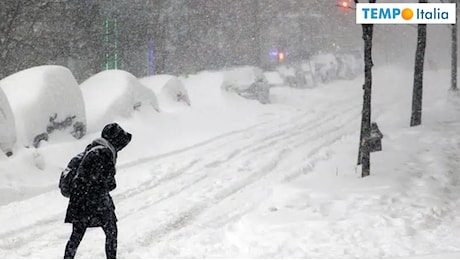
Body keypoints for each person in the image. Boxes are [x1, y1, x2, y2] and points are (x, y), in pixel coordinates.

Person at [64, 123, 132, 259]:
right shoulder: (104, 153)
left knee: (76, 236)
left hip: (79, 200)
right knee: (111, 231)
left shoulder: (92, 149)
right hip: (95, 201)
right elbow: (109, 183)